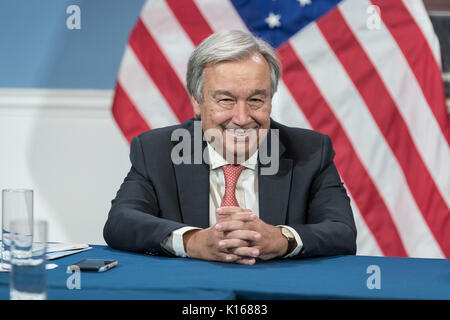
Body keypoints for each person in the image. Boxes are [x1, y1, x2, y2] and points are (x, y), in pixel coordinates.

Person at [103, 30, 356, 265]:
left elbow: (342, 232)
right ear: (197, 101)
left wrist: (280, 240)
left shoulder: (309, 151)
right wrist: (193, 242)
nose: (242, 118)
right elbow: (121, 222)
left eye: (256, 100)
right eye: (226, 100)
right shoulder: (156, 150)